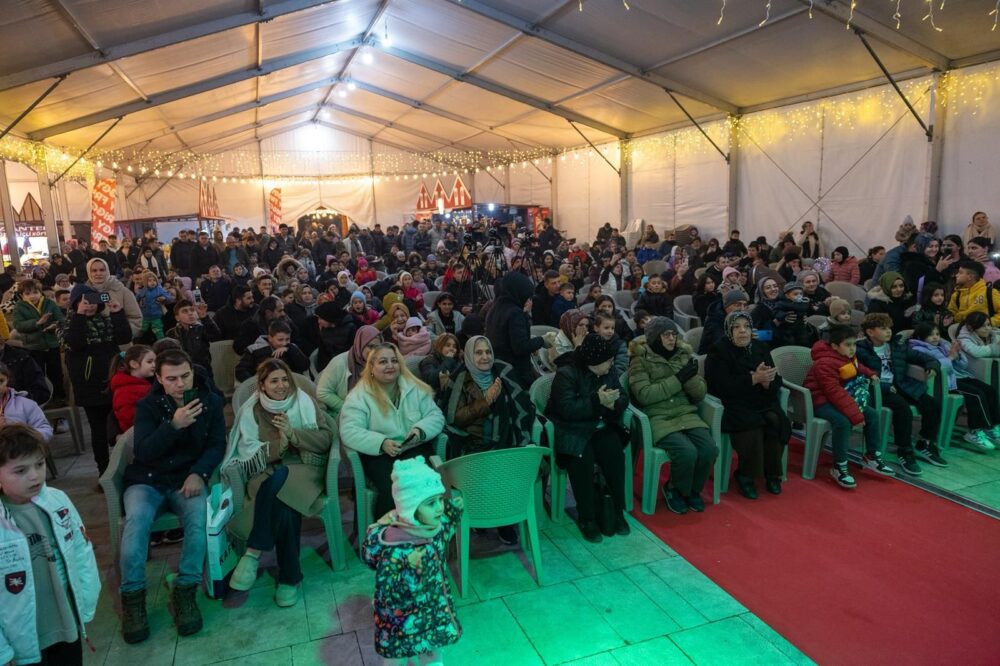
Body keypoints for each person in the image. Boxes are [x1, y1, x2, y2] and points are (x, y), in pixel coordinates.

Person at [119, 349, 225, 643]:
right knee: (136, 522)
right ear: (159, 379)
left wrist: (200, 473)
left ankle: (185, 591)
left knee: (198, 520)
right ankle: (133, 598)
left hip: (186, 479)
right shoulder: (148, 405)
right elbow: (144, 451)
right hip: (147, 480)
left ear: (193, 371)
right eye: (172, 379)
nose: (180, 384)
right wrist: (173, 425)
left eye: (185, 376)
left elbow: (217, 444)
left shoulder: (210, 401)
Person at [225, 359, 335, 607]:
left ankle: (253, 551)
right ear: (262, 385)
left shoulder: (305, 402)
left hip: (305, 469)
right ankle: (289, 578)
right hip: (266, 472)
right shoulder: (252, 411)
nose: (282, 385)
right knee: (285, 503)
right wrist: (279, 446)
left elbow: (326, 439)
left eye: (285, 379)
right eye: (274, 381)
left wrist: (294, 435)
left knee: (282, 484)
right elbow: (247, 452)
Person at [0, 424, 100, 666]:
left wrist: (86, 600)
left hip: (65, 621)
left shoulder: (58, 500)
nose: (35, 476)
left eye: (40, 464)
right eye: (21, 470)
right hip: (21, 638)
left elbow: (81, 550)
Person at [362, 457, 463, 665]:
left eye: (440, 499)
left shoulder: (433, 528)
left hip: (433, 610)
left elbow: (446, 526)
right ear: (410, 508)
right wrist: (393, 611)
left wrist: (453, 511)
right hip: (404, 621)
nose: (439, 508)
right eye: (431, 503)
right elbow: (386, 591)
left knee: (433, 651)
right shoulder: (396, 549)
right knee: (397, 656)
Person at [339, 343, 445, 518]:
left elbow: (436, 416)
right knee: (394, 489)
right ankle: (391, 532)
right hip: (379, 455)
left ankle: (427, 530)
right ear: (371, 367)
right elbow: (349, 430)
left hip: (413, 448)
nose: (390, 365)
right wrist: (381, 443)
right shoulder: (359, 396)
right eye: (383, 362)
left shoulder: (414, 388)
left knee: (427, 483)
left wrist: (420, 430)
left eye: (394, 361)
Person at [628, 317, 717, 514]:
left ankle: (693, 490)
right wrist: (678, 379)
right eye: (666, 335)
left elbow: (700, 394)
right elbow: (645, 395)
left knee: (709, 449)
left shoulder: (682, 355)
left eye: (674, 334)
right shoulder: (640, 359)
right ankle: (673, 489)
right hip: (658, 416)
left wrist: (690, 379)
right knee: (687, 452)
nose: (672, 339)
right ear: (655, 338)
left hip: (685, 413)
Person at [546, 333, 630, 542]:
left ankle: (617, 511)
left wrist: (613, 404)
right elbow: (566, 409)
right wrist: (596, 401)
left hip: (601, 426)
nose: (611, 365)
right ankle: (587, 517)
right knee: (582, 459)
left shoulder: (608, 373)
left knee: (614, 455)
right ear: (594, 362)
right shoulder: (567, 374)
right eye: (608, 362)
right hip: (573, 429)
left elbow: (623, 396)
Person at [705, 311, 790, 498]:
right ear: (729, 330)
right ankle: (745, 475)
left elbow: (776, 379)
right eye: (736, 327)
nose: (742, 331)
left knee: (776, 420)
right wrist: (753, 379)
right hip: (733, 403)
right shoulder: (718, 351)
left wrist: (767, 382)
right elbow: (719, 386)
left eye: (746, 327)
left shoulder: (760, 347)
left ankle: (772, 473)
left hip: (762, 400)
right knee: (752, 424)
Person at [804, 325, 896, 488]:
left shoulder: (846, 357)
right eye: (848, 344)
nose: (853, 348)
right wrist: (855, 415)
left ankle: (871, 456)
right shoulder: (824, 363)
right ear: (834, 346)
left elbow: (857, 367)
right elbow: (834, 392)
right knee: (842, 422)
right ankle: (839, 466)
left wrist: (870, 373)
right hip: (820, 401)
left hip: (841, 398)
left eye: (854, 344)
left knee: (872, 414)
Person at [855, 313, 942, 476]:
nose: (888, 331)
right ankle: (905, 450)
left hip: (901, 385)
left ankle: (925, 442)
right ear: (870, 332)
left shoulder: (896, 346)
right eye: (883, 328)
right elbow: (858, 374)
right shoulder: (860, 350)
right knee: (903, 409)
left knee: (932, 404)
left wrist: (931, 366)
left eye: (889, 327)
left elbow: (925, 357)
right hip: (878, 390)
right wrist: (884, 386)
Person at [64, 285, 132, 476]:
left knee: (122, 424)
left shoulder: (106, 320)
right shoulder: (68, 323)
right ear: (76, 303)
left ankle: (126, 467)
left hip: (114, 381)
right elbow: (75, 343)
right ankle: (104, 471)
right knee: (99, 429)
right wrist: (80, 315)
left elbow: (124, 337)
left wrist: (117, 313)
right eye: (85, 301)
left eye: (93, 300)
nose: (90, 305)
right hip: (89, 385)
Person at [913, 319, 997, 454]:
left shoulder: (943, 344)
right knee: (976, 394)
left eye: (937, 334)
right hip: (946, 382)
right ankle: (975, 431)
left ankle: (992, 427)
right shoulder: (918, 349)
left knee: (990, 390)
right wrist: (950, 358)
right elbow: (934, 366)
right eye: (930, 335)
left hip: (959, 376)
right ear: (921, 336)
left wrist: (957, 356)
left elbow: (963, 365)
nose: (935, 337)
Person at [446, 335, 534, 459]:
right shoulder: (460, 379)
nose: (485, 357)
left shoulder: (503, 372)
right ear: (469, 355)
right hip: (474, 442)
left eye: (488, 352)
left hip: (508, 437)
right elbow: (456, 418)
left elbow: (523, 404)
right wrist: (486, 401)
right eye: (478, 353)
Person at [486, 271, 550, 388]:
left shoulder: (495, 308)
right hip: (516, 373)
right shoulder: (515, 313)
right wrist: (542, 340)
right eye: (527, 296)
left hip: (499, 368)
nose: (528, 300)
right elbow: (520, 347)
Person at [11, 279, 65, 402]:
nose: (32, 296)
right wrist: (37, 323)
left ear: (40, 292)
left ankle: (59, 397)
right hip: (33, 345)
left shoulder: (49, 303)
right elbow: (18, 325)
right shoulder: (19, 307)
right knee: (38, 373)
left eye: (35, 292)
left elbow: (60, 319)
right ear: (22, 295)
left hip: (52, 344)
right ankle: (42, 398)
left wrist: (55, 325)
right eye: (28, 293)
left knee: (56, 371)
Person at [316, 325, 381, 421]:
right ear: (360, 344)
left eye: (378, 347)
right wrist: (347, 408)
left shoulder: (380, 363)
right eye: (370, 346)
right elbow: (322, 392)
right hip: (342, 414)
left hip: (372, 413)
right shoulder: (340, 362)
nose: (374, 351)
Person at [235, 320, 309, 382]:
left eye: (287, 339)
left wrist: (290, 349)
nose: (284, 343)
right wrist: (256, 383)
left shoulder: (292, 347)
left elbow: (305, 366)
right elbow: (241, 370)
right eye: (280, 340)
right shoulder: (254, 349)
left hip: (291, 384)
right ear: (270, 338)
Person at [85, 257, 142, 336]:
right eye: (94, 270)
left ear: (107, 271)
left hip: (120, 341)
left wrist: (124, 333)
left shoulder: (122, 291)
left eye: (102, 270)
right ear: (89, 272)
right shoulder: (84, 293)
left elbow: (136, 318)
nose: (98, 273)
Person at [0, 364, 53, 440]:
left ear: (7, 379)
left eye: (1, 381)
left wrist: (23, 436)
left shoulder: (25, 404)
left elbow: (45, 430)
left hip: (21, 446)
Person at [109, 345, 155, 433]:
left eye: (155, 361)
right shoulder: (125, 390)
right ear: (134, 364)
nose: (154, 365)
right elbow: (130, 418)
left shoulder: (141, 384)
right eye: (149, 362)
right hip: (138, 433)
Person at [166, 299, 221, 370]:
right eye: (185, 311)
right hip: (182, 370)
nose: (190, 313)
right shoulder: (171, 333)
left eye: (192, 310)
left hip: (203, 370)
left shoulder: (201, 328)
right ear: (177, 318)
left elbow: (216, 337)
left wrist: (204, 317)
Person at [948, 259, 1000, 327]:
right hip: (962, 331)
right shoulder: (956, 295)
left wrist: (987, 324)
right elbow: (951, 315)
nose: (956, 275)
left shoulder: (990, 292)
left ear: (970, 277)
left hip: (986, 332)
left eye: (960, 273)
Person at [699, 289, 748, 354]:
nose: (742, 309)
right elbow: (723, 345)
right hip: (709, 356)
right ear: (726, 306)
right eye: (737, 305)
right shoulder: (714, 320)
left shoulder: (736, 318)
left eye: (744, 305)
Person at [417, 333, 461, 406]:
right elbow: (431, 380)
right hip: (436, 401)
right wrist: (448, 360)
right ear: (440, 346)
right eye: (448, 345)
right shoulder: (429, 361)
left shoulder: (458, 361)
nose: (452, 349)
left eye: (454, 346)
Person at [134, 271, 172, 340]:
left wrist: (164, 298)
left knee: (159, 331)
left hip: (156, 316)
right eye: (149, 280)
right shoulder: (142, 291)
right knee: (142, 331)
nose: (152, 282)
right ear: (145, 282)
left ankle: (162, 342)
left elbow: (169, 297)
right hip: (145, 316)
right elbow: (135, 300)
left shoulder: (159, 289)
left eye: (154, 280)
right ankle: (140, 341)